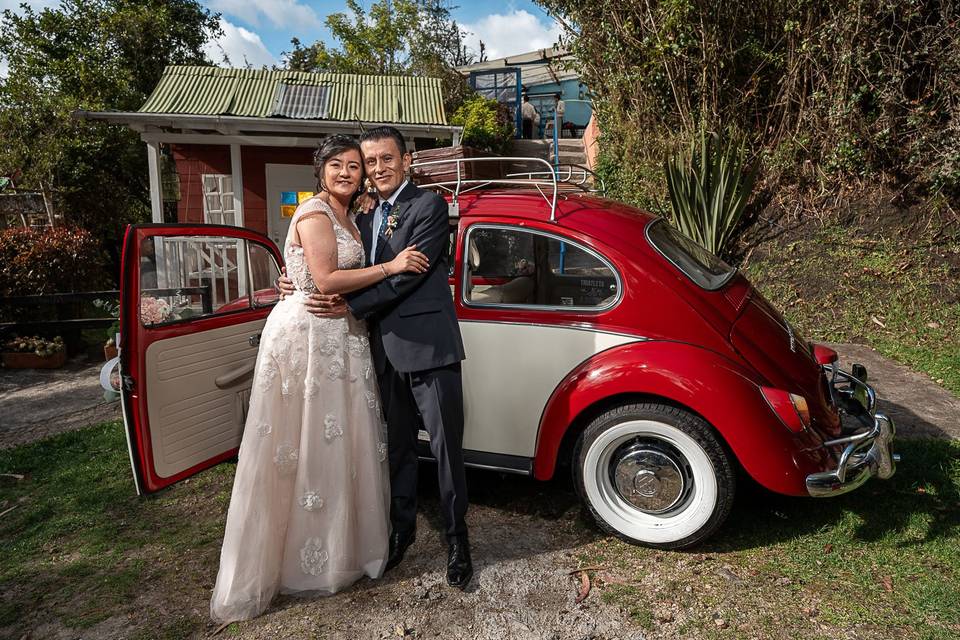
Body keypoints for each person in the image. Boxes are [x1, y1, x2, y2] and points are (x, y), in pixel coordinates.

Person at [210, 135, 430, 623]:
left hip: (344, 337)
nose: (349, 173)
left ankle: (343, 548)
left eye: (356, 166)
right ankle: (296, 558)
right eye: (338, 165)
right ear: (320, 169)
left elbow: (320, 273)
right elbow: (326, 280)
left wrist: (296, 278)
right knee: (301, 441)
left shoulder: (356, 213)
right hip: (310, 338)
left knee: (339, 441)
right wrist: (391, 265)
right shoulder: (313, 213)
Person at [278, 126, 472, 590]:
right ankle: (400, 531)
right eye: (370, 162)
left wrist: (350, 306)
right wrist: (297, 283)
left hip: (428, 347)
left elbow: (407, 277)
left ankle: (458, 540)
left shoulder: (429, 206)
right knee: (398, 448)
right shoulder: (360, 216)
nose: (377, 168)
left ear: (406, 161)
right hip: (379, 351)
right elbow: (342, 268)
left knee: (447, 450)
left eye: (387, 159)